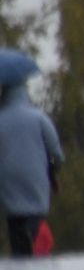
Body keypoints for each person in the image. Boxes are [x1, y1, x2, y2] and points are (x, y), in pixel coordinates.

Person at [0, 82, 63, 258]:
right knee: (34, 217)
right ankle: (33, 241)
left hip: (7, 183)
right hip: (35, 181)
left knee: (15, 221)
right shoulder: (39, 118)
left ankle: (20, 250)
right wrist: (52, 173)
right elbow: (57, 154)